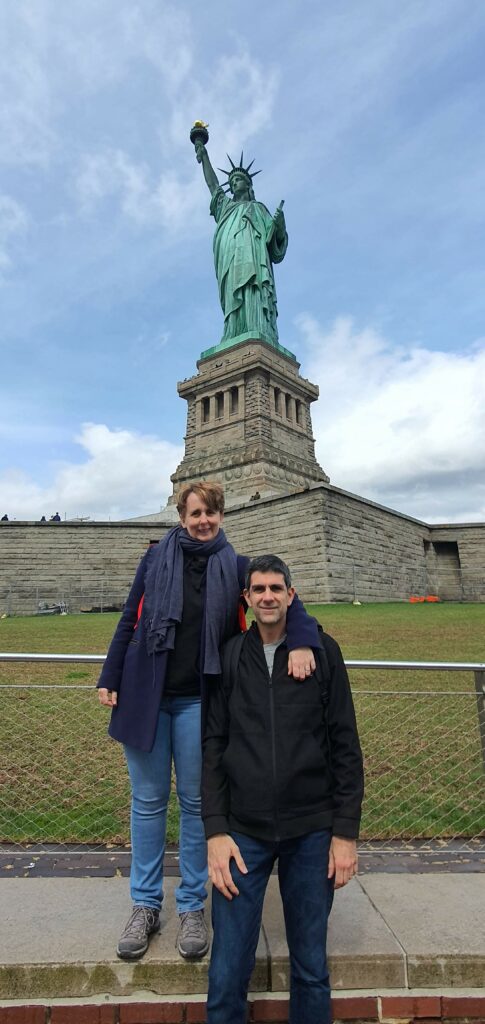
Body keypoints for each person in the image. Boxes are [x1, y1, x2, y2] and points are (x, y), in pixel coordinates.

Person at [97, 483, 320, 962]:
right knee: (148, 803)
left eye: (211, 513)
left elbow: (288, 600)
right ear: (182, 516)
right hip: (146, 695)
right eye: (196, 513)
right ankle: (145, 904)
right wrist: (110, 675)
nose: (204, 521)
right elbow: (129, 619)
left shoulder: (235, 565)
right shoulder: (154, 559)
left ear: (221, 516)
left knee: (198, 804)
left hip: (200, 700)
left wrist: (302, 641)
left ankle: (192, 905)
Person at [202, 554, 364, 1024]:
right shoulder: (231, 656)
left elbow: (345, 746)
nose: (268, 597)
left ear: (291, 595)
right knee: (227, 970)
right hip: (243, 832)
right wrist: (215, 831)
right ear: (247, 598)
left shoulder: (323, 652)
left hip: (311, 829)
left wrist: (345, 834)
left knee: (310, 967)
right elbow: (213, 746)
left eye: (277, 588)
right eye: (259, 589)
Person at [194, 141, 287, 348]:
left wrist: (280, 227)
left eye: (238, 179)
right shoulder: (225, 208)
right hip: (230, 259)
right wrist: (204, 156)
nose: (234, 183)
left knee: (254, 290)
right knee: (233, 295)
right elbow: (213, 186)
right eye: (232, 181)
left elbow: (275, 246)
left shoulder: (259, 209)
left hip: (254, 261)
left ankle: (258, 328)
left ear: (248, 184)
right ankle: (233, 331)